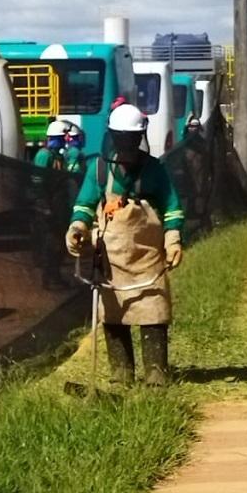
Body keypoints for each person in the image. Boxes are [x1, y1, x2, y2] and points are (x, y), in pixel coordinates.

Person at [65, 104, 185, 386]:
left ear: (139, 137)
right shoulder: (98, 169)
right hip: (111, 256)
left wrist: (173, 239)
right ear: (113, 138)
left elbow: (172, 208)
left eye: (131, 139)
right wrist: (77, 228)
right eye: (121, 139)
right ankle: (121, 373)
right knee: (113, 312)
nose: (127, 146)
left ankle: (156, 372)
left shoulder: (155, 169)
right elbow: (84, 205)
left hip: (147, 256)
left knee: (152, 308)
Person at [31, 119, 73, 290]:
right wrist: (44, 205)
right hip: (48, 206)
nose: (64, 140)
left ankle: (56, 275)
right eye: (62, 137)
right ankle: (48, 279)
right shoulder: (44, 155)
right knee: (51, 244)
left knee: (60, 244)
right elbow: (37, 181)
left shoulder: (59, 157)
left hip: (59, 206)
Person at [181, 116, 213, 237]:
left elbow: (208, 159)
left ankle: (201, 219)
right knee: (191, 195)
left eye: (195, 127)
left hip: (200, 173)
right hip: (189, 173)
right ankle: (191, 214)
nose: (192, 129)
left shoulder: (201, 142)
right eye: (191, 127)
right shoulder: (186, 141)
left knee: (200, 195)